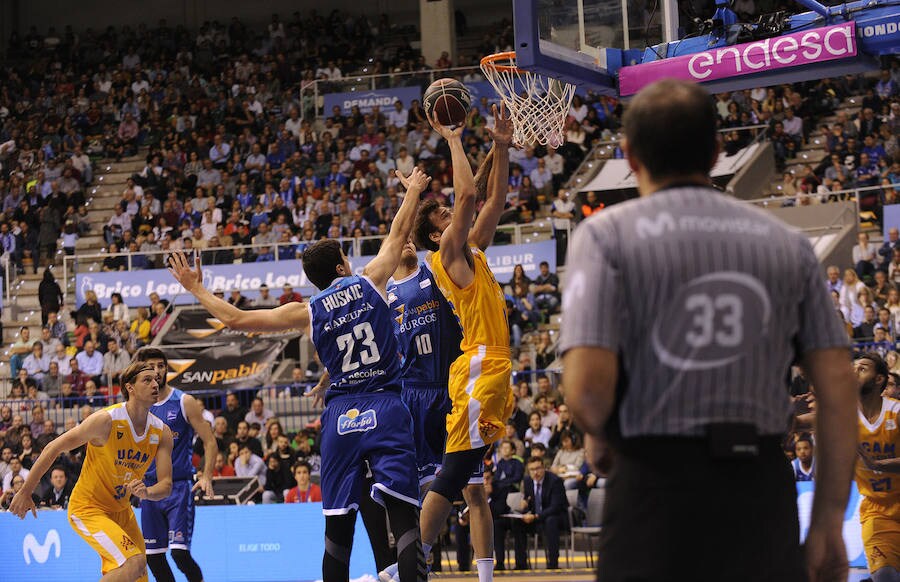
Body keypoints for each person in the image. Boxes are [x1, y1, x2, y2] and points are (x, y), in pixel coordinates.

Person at [559, 79, 857, 582]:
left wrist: (605, 435)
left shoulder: (605, 236)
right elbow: (838, 387)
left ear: (630, 157)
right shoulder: (789, 245)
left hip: (654, 487)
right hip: (758, 488)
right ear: (718, 151)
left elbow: (587, 392)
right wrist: (828, 518)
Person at [167, 165, 432, 582]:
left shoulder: (306, 310)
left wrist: (196, 289)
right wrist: (413, 190)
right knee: (402, 513)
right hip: (386, 403)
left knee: (337, 525)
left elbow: (236, 319)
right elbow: (399, 233)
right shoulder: (370, 281)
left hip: (341, 414)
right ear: (343, 266)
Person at [382, 103, 514, 582]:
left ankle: (444, 569)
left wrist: (500, 147)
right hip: (478, 365)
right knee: (455, 474)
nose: (451, 211)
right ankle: (404, 568)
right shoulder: (448, 254)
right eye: (442, 214)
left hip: (492, 367)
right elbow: (467, 196)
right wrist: (454, 138)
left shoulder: (471, 248)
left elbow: (492, 201)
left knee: (463, 476)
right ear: (438, 234)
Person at [9, 361, 174, 582]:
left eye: (156, 379)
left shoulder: (162, 432)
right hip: (89, 507)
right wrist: (26, 491)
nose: (156, 383)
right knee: (134, 562)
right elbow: (53, 447)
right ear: (130, 388)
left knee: (137, 574)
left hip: (122, 511)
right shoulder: (106, 421)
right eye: (147, 379)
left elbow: (166, 485)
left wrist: (147, 493)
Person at [134, 347, 217, 582]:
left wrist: (207, 476)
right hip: (149, 491)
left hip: (179, 488)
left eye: (161, 366)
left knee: (180, 554)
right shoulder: (137, 408)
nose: (158, 371)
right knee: (154, 558)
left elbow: (210, 442)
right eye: (152, 367)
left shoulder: (183, 401)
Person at [854, 353, 900, 581]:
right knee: (885, 575)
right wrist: (791, 414)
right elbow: (801, 422)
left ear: (879, 379)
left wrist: (878, 464)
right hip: (877, 509)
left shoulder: (896, 411)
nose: (853, 373)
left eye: (861, 368)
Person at [510, 456, 568, 569]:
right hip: (537, 518)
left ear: (544, 468)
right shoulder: (527, 481)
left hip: (556, 518)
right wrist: (525, 508)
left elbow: (556, 507)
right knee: (518, 522)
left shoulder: (555, 481)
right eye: (532, 469)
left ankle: (553, 564)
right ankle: (521, 564)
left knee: (551, 521)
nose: (535, 472)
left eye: (538, 468)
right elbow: (529, 499)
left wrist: (536, 516)